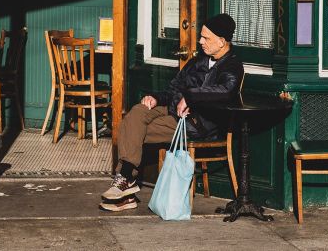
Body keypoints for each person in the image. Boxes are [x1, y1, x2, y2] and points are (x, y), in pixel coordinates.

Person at [100, 13, 243, 212]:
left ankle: (126, 183)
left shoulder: (232, 66)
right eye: (201, 36)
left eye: (206, 38)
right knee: (138, 111)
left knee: (130, 129)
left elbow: (226, 91)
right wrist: (156, 98)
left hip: (196, 122)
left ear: (221, 41)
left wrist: (191, 96)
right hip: (172, 111)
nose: (200, 41)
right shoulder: (198, 62)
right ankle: (127, 180)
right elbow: (174, 89)